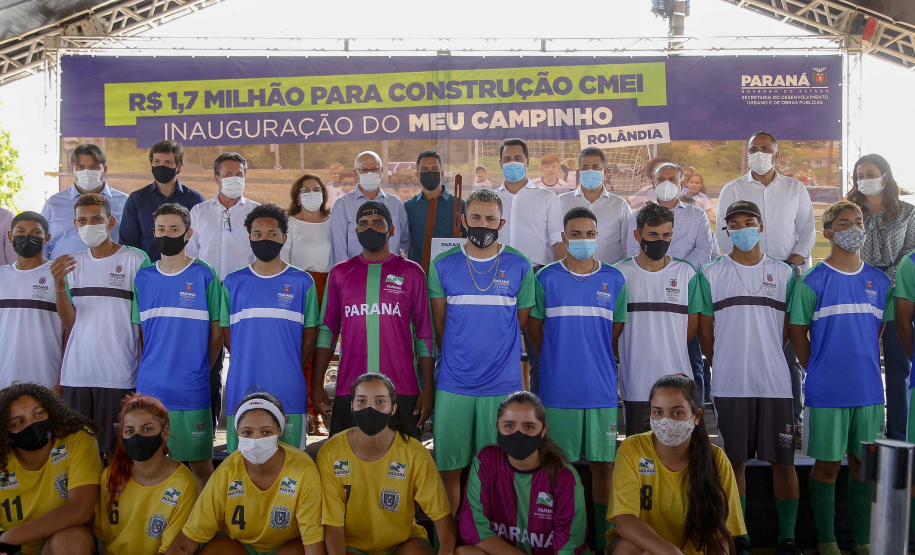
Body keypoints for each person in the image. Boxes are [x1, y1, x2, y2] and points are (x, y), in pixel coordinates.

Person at [696, 201, 801, 555]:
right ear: (727, 231)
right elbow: (705, 332)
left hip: (775, 384)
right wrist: (723, 362)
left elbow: (787, 330)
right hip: (730, 383)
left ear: (761, 226)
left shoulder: (784, 273)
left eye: (749, 222)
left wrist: (765, 353)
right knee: (734, 462)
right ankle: (739, 537)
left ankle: (788, 538)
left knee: (784, 463)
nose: (743, 230)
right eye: (735, 225)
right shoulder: (711, 273)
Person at [788, 200, 891, 555]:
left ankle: (863, 540)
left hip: (869, 392)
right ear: (828, 233)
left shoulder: (880, 281)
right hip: (826, 392)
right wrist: (817, 368)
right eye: (844, 223)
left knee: (864, 465)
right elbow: (797, 333)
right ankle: (827, 540)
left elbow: (876, 332)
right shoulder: (812, 280)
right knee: (828, 466)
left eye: (858, 221)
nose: (853, 228)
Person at [427, 188, 536, 512]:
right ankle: (448, 537)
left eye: (490, 218)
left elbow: (519, 323)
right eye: (475, 217)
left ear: (501, 223)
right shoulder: (443, 264)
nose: (483, 224)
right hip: (454, 384)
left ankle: (486, 535)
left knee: (495, 473)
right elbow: (440, 325)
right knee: (448, 471)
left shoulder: (520, 264)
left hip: (501, 386)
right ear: (464, 221)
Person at [525, 206, 626, 552]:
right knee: (559, 471)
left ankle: (603, 540)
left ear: (598, 236)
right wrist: (558, 357)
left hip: (601, 391)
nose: (584, 240)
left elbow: (614, 333)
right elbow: (534, 330)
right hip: (558, 392)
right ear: (564, 238)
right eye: (576, 234)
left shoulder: (614, 279)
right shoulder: (546, 278)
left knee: (604, 469)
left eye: (590, 234)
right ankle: (567, 541)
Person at [717, 132, 816, 441]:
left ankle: (792, 420)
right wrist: (745, 266)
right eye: (753, 149)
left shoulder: (794, 187)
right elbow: (724, 234)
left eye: (764, 148)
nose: (758, 153)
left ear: (776, 154)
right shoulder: (733, 188)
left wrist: (791, 265)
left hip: (788, 277)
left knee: (787, 352)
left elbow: (807, 230)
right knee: (747, 347)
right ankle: (748, 423)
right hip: (743, 279)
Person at [314, 201, 434, 437]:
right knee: (346, 458)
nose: (370, 228)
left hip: (402, 389)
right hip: (351, 389)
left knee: (403, 457)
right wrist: (317, 383)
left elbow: (425, 333)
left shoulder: (411, 272)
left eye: (378, 223)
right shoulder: (340, 273)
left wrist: (428, 387)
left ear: (391, 230)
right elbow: (328, 331)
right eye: (364, 224)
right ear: (356, 230)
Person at [51, 193, 151, 459]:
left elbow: (145, 322)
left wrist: (144, 370)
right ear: (75, 224)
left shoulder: (135, 259)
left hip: (119, 373)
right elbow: (70, 323)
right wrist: (59, 287)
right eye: (82, 221)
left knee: (116, 453)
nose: (89, 225)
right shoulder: (71, 263)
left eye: (96, 219)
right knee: (79, 453)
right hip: (78, 374)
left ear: (111, 222)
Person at [132, 203, 222, 491]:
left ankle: (202, 520)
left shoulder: (204, 274)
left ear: (188, 233)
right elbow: (142, 335)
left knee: (201, 467)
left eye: (174, 229)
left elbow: (217, 332)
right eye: (161, 229)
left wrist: (201, 369)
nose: (166, 234)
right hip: (150, 388)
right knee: (150, 463)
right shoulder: (144, 277)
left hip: (191, 390)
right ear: (153, 232)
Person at [167, 393, 325, 555]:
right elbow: (192, 534)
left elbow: (312, 538)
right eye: (247, 433)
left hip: (287, 545)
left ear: (280, 431)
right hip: (239, 546)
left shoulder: (303, 468)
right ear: (237, 433)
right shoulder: (227, 471)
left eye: (266, 432)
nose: (256, 440)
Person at [317, 373, 456, 555]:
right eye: (362, 401)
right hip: (352, 547)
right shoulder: (331, 452)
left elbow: (442, 516)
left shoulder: (413, 452)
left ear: (393, 408)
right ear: (351, 406)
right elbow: (332, 525)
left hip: (402, 542)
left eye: (380, 401)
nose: (370, 408)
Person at [607, 374, 745, 554]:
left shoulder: (716, 459)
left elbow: (721, 535)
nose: (666, 421)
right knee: (630, 548)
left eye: (677, 413)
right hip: (647, 549)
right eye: (658, 412)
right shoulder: (632, 449)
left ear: (696, 416)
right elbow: (624, 519)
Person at [221, 204, 320, 452]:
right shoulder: (233, 282)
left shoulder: (302, 281)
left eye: (272, 233)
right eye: (258, 234)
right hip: (242, 385)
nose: (264, 238)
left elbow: (311, 335)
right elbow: (227, 333)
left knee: (291, 461)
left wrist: (292, 365)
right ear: (250, 238)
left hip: (288, 388)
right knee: (242, 462)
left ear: (284, 238)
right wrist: (245, 358)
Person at [458, 391, 588, 555]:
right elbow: (472, 529)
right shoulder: (486, 461)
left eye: (529, 427)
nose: (518, 434)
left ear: (543, 430)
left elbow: (568, 547)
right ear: (497, 426)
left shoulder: (564, 475)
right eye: (509, 426)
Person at [626, 163, 715, 396]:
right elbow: (631, 251)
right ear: (653, 183)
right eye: (661, 179)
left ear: (682, 184)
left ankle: (695, 408)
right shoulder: (637, 216)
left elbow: (704, 250)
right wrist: (658, 274)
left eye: (672, 179)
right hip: (648, 292)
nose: (666, 183)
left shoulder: (696, 215)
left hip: (684, 292)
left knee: (692, 359)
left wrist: (677, 273)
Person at [186, 152, 259, 431]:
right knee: (210, 362)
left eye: (239, 174)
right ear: (216, 177)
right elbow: (192, 256)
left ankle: (251, 425)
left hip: (245, 294)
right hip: (208, 295)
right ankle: (207, 428)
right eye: (228, 174)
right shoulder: (199, 212)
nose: (233, 179)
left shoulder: (256, 212)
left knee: (245, 357)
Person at [614, 202, 702, 435]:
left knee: (679, 449)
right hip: (635, 384)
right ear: (637, 235)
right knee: (640, 451)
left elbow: (690, 329)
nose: (660, 241)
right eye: (653, 234)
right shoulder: (619, 274)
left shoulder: (686, 273)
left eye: (666, 235)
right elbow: (613, 331)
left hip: (678, 383)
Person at [846, 154, 915, 441]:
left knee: (898, 368)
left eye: (871, 174)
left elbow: (911, 252)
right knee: (860, 363)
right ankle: (861, 433)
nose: (865, 180)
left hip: (898, 294)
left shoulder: (908, 211)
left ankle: (898, 434)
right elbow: (843, 248)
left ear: (885, 176)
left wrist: (888, 280)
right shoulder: (849, 210)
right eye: (860, 175)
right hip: (859, 294)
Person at [495, 139, 565, 395]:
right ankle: (502, 409)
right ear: (500, 163)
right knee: (500, 348)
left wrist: (558, 282)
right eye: (507, 159)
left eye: (518, 158)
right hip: (497, 279)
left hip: (537, 277)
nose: (512, 163)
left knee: (538, 349)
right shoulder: (492, 198)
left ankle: (541, 408)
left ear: (527, 161)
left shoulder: (547, 198)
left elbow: (558, 241)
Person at [0, 382, 103, 555]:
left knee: (71, 540)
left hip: (56, 543)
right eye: (18, 422)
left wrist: (8, 538)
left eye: (38, 414)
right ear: (5, 433)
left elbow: (81, 508)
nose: (32, 424)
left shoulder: (76, 438)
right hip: (9, 549)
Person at [95, 393, 198, 555]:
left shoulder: (183, 482)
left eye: (147, 429)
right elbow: (98, 536)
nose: (137, 436)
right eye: (129, 431)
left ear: (165, 432)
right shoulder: (110, 476)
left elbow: (172, 548)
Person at [281, 174, 333, 434]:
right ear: (297, 195)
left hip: (330, 288)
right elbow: (283, 261)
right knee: (304, 352)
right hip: (300, 289)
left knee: (323, 351)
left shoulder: (333, 221)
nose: (312, 194)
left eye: (316, 189)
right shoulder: (288, 223)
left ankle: (318, 409)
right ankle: (303, 411)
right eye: (306, 190)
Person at [0, 212, 64, 391]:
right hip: (5, 377)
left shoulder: (59, 275)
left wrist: (61, 381)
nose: (27, 237)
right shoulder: (1, 275)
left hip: (47, 378)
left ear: (46, 238)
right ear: (10, 236)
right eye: (20, 232)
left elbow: (70, 330)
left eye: (36, 233)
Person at [120, 140, 205, 262]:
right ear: (151, 164)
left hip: (186, 269)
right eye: (157, 161)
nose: (161, 166)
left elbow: (202, 240)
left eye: (168, 162)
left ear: (179, 166)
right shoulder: (137, 199)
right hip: (147, 268)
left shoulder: (195, 200)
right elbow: (128, 243)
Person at [40, 144, 129, 260]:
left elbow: (131, 240)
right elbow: (42, 244)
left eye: (94, 167)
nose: (87, 172)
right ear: (73, 170)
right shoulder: (54, 204)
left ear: (105, 169)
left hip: (112, 268)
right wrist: (46, 270)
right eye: (81, 168)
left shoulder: (124, 201)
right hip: (64, 269)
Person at [329, 151, 410, 265]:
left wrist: (402, 269)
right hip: (356, 271)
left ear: (381, 171)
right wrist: (345, 273)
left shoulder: (395, 203)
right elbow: (338, 248)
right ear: (356, 173)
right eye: (364, 170)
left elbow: (406, 242)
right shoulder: (342, 205)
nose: (370, 173)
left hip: (391, 272)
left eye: (374, 169)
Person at [559, 147, 632, 265]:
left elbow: (627, 245)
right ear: (578, 172)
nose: (590, 171)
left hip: (610, 271)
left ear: (605, 171)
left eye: (596, 167)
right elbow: (556, 241)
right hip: (570, 271)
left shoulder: (620, 205)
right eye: (585, 168)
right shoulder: (561, 201)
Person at [403, 150, 465, 268]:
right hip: (418, 272)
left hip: (450, 271)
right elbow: (404, 241)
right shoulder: (409, 207)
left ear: (442, 173)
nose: (430, 172)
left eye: (434, 169)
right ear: (417, 175)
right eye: (424, 169)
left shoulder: (460, 205)